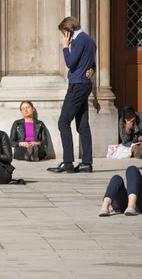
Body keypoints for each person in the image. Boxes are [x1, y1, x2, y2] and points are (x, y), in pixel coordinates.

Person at [48, 16, 96, 173]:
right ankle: (86, 163)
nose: (63, 36)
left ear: (69, 31)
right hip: (85, 84)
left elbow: (71, 62)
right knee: (82, 125)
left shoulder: (79, 40)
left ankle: (67, 161)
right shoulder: (90, 40)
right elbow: (91, 63)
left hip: (77, 85)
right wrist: (92, 70)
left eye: (64, 33)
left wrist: (64, 47)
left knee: (63, 122)